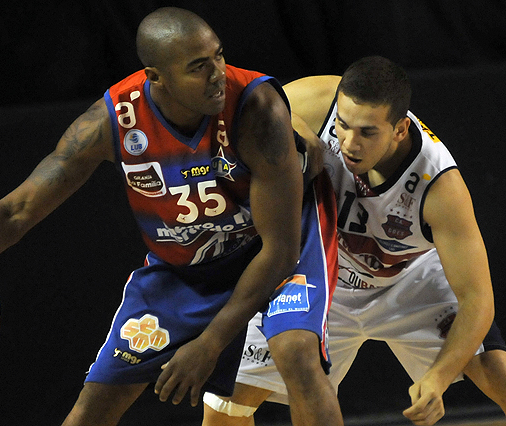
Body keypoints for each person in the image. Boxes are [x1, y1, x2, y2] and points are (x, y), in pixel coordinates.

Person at [0, 7, 343, 426]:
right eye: (198, 66)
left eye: (219, 56)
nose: (218, 74)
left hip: (275, 245)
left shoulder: (256, 108)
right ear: (156, 77)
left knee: (296, 354)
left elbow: (280, 250)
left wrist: (209, 342)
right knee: (93, 407)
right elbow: (16, 212)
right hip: (185, 268)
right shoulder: (112, 121)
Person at [202, 56, 506, 426]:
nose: (349, 142)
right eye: (343, 126)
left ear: (400, 130)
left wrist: (438, 378)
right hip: (324, 274)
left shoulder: (440, 186)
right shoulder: (322, 98)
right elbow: (251, 111)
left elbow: (478, 300)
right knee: (224, 406)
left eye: (367, 132)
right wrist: (297, 130)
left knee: (495, 370)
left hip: (408, 279)